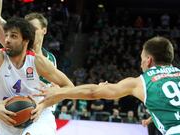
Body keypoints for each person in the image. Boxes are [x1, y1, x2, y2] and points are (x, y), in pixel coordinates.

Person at [37, 36, 180, 135]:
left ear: (148, 60)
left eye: (141, 59)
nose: (141, 63)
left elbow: (93, 92)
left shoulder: (139, 82)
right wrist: (155, 115)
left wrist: (60, 92)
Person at [0, 18, 74, 135]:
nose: (7, 40)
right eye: (6, 35)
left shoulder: (38, 62)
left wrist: (48, 100)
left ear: (25, 40)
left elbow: (69, 86)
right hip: (6, 122)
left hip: (38, 116)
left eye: (13, 36)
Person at [0, 0, 56, 85]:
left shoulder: (51, 58)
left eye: (34, 29)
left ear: (44, 30)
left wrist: (55, 89)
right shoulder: (17, 49)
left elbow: (57, 85)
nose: (31, 32)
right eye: (28, 29)